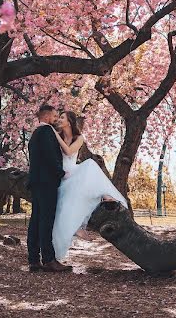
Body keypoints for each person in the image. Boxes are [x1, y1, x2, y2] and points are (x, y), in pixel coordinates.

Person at [51, 110, 128, 261]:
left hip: (73, 171)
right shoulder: (58, 136)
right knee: (67, 201)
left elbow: (68, 151)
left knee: (90, 166)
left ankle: (105, 196)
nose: (59, 119)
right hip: (61, 174)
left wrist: (55, 136)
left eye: (62, 117)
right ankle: (76, 228)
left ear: (70, 121)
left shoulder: (79, 138)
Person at [26, 104, 72, 273]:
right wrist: (60, 173)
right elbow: (50, 156)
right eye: (54, 116)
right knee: (46, 221)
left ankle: (33, 260)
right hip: (47, 183)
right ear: (46, 117)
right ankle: (49, 260)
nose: (55, 119)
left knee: (36, 221)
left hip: (37, 182)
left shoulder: (35, 134)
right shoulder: (46, 132)